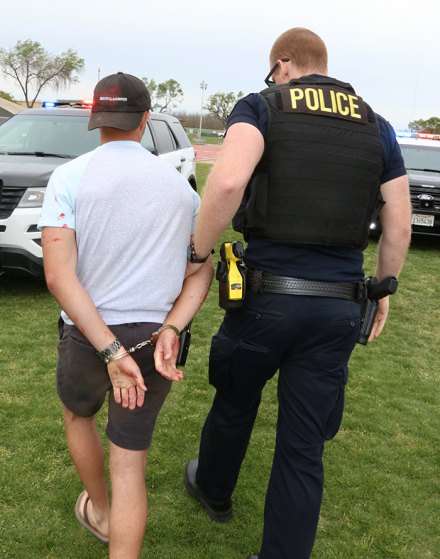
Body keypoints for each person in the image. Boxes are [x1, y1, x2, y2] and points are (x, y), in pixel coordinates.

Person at [183, 28, 411, 559]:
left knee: (236, 399)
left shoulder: (262, 105)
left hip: (266, 299)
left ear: (283, 64)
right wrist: (383, 290)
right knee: (303, 447)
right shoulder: (376, 124)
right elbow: (397, 224)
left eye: (274, 71)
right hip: (337, 304)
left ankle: (213, 490)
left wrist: (197, 254)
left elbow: (227, 182)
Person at [38, 72, 213, 559]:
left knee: (78, 416)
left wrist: (110, 350)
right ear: (143, 121)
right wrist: (173, 327)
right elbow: (200, 274)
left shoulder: (69, 177)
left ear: (98, 121)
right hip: (153, 340)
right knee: (129, 462)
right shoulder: (183, 192)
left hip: (86, 334)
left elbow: (59, 276)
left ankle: (99, 510)